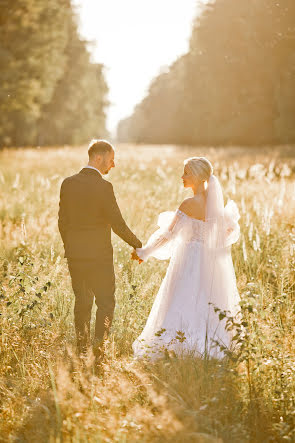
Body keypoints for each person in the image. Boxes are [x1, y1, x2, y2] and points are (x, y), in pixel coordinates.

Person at [131, 157, 240, 360]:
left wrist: (144, 252)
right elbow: (229, 230)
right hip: (210, 260)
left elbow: (167, 235)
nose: (182, 176)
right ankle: (209, 344)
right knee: (206, 301)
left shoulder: (190, 204)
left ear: (198, 177)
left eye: (186, 173)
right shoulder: (215, 205)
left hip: (189, 260)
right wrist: (209, 242)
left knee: (181, 298)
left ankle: (177, 346)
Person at [58, 139, 142, 355]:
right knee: (105, 302)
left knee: (82, 301)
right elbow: (118, 224)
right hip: (99, 257)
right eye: (110, 160)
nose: (112, 165)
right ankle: (99, 347)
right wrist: (138, 245)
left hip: (76, 255)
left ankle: (82, 348)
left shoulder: (67, 183)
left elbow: (62, 222)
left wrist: (72, 246)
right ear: (98, 158)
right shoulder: (104, 187)